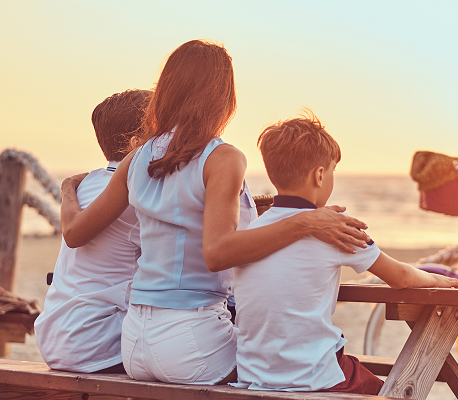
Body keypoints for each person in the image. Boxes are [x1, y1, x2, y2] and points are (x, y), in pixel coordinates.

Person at [60, 40, 372, 385]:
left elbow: (74, 234)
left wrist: (67, 190)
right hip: (189, 339)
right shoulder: (223, 158)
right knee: (297, 370)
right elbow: (218, 252)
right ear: (223, 97)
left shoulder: (138, 158)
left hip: (133, 342)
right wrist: (305, 220)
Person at [231, 113, 458, 394]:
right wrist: (437, 280)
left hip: (254, 378)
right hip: (315, 377)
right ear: (319, 175)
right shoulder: (336, 230)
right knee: (391, 391)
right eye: (332, 171)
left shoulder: (254, 234)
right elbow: (400, 276)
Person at [34, 89, 152, 373]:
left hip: (54, 336)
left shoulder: (87, 182)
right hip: (96, 340)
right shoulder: (138, 192)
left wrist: (66, 188)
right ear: (137, 142)